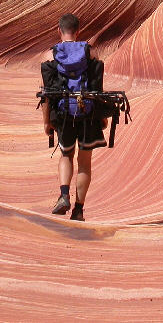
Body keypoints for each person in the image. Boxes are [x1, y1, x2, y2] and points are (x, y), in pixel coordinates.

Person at [41, 13, 108, 221]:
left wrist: (47, 121)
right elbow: (98, 87)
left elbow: (46, 94)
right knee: (85, 163)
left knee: (66, 156)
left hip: (63, 112)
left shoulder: (50, 56)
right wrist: (102, 116)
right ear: (78, 31)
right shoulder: (90, 52)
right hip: (87, 112)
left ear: (58, 30)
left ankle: (63, 195)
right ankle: (78, 210)